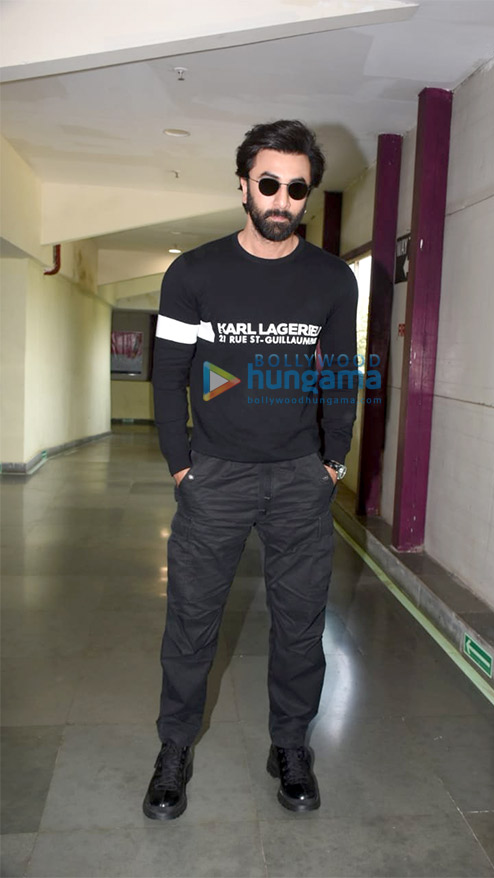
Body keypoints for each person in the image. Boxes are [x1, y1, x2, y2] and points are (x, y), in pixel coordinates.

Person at [144, 119, 358, 820]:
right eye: (268, 183)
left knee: (300, 625)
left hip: (300, 477)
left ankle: (289, 746)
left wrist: (334, 457)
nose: (281, 199)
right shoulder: (195, 272)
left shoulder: (329, 278)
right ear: (242, 185)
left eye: (296, 188)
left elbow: (342, 373)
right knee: (192, 622)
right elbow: (169, 370)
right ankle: (173, 749)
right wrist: (181, 465)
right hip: (217, 479)